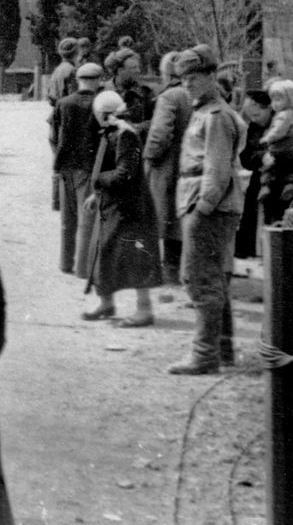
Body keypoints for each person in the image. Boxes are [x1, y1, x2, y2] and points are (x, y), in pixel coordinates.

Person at [168, 44, 246, 374]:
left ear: (212, 77)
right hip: (202, 202)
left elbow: (216, 170)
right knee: (214, 279)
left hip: (208, 206)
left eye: (195, 77)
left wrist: (203, 208)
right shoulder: (205, 111)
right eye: (183, 78)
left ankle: (204, 356)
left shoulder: (216, 116)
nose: (188, 84)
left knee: (199, 279)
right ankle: (222, 348)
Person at [81, 90, 161, 326]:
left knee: (136, 257)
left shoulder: (126, 135)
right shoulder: (112, 133)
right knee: (104, 252)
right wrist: (98, 194)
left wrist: (98, 181)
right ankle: (106, 304)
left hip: (131, 209)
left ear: (103, 113)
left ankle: (144, 311)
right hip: (116, 205)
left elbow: (124, 175)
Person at [142, 51, 194, 284]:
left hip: (169, 166)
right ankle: (183, 268)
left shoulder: (169, 97)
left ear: (165, 74)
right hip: (190, 163)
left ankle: (171, 271)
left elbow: (159, 135)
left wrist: (149, 158)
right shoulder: (193, 93)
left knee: (168, 218)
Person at [49, 61, 104, 275]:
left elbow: (52, 136)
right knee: (87, 219)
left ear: (78, 80)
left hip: (65, 168)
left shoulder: (63, 103)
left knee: (67, 218)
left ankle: (65, 263)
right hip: (89, 168)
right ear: (98, 81)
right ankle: (83, 268)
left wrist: (59, 156)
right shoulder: (100, 104)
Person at [258, 79, 293, 225]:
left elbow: (277, 131)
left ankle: (266, 186)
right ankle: (289, 183)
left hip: (281, 149)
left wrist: (267, 139)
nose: (275, 104)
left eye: (278, 99)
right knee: (288, 170)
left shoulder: (283, 115)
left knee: (270, 167)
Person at [236, 90, 272, 260]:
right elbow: (245, 158)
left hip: (280, 180)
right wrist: (260, 157)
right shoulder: (254, 126)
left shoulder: (287, 124)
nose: (255, 119)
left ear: (268, 108)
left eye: (257, 114)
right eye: (252, 116)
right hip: (258, 178)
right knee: (249, 216)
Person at [105, 39, 154, 131]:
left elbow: (156, 119)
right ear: (120, 71)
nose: (138, 71)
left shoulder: (145, 91)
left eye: (138, 67)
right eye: (133, 68)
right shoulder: (104, 91)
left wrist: (139, 127)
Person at [45, 38, 78, 107]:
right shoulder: (72, 70)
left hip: (58, 110)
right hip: (68, 111)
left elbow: (50, 96)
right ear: (76, 53)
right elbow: (74, 97)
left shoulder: (57, 70)